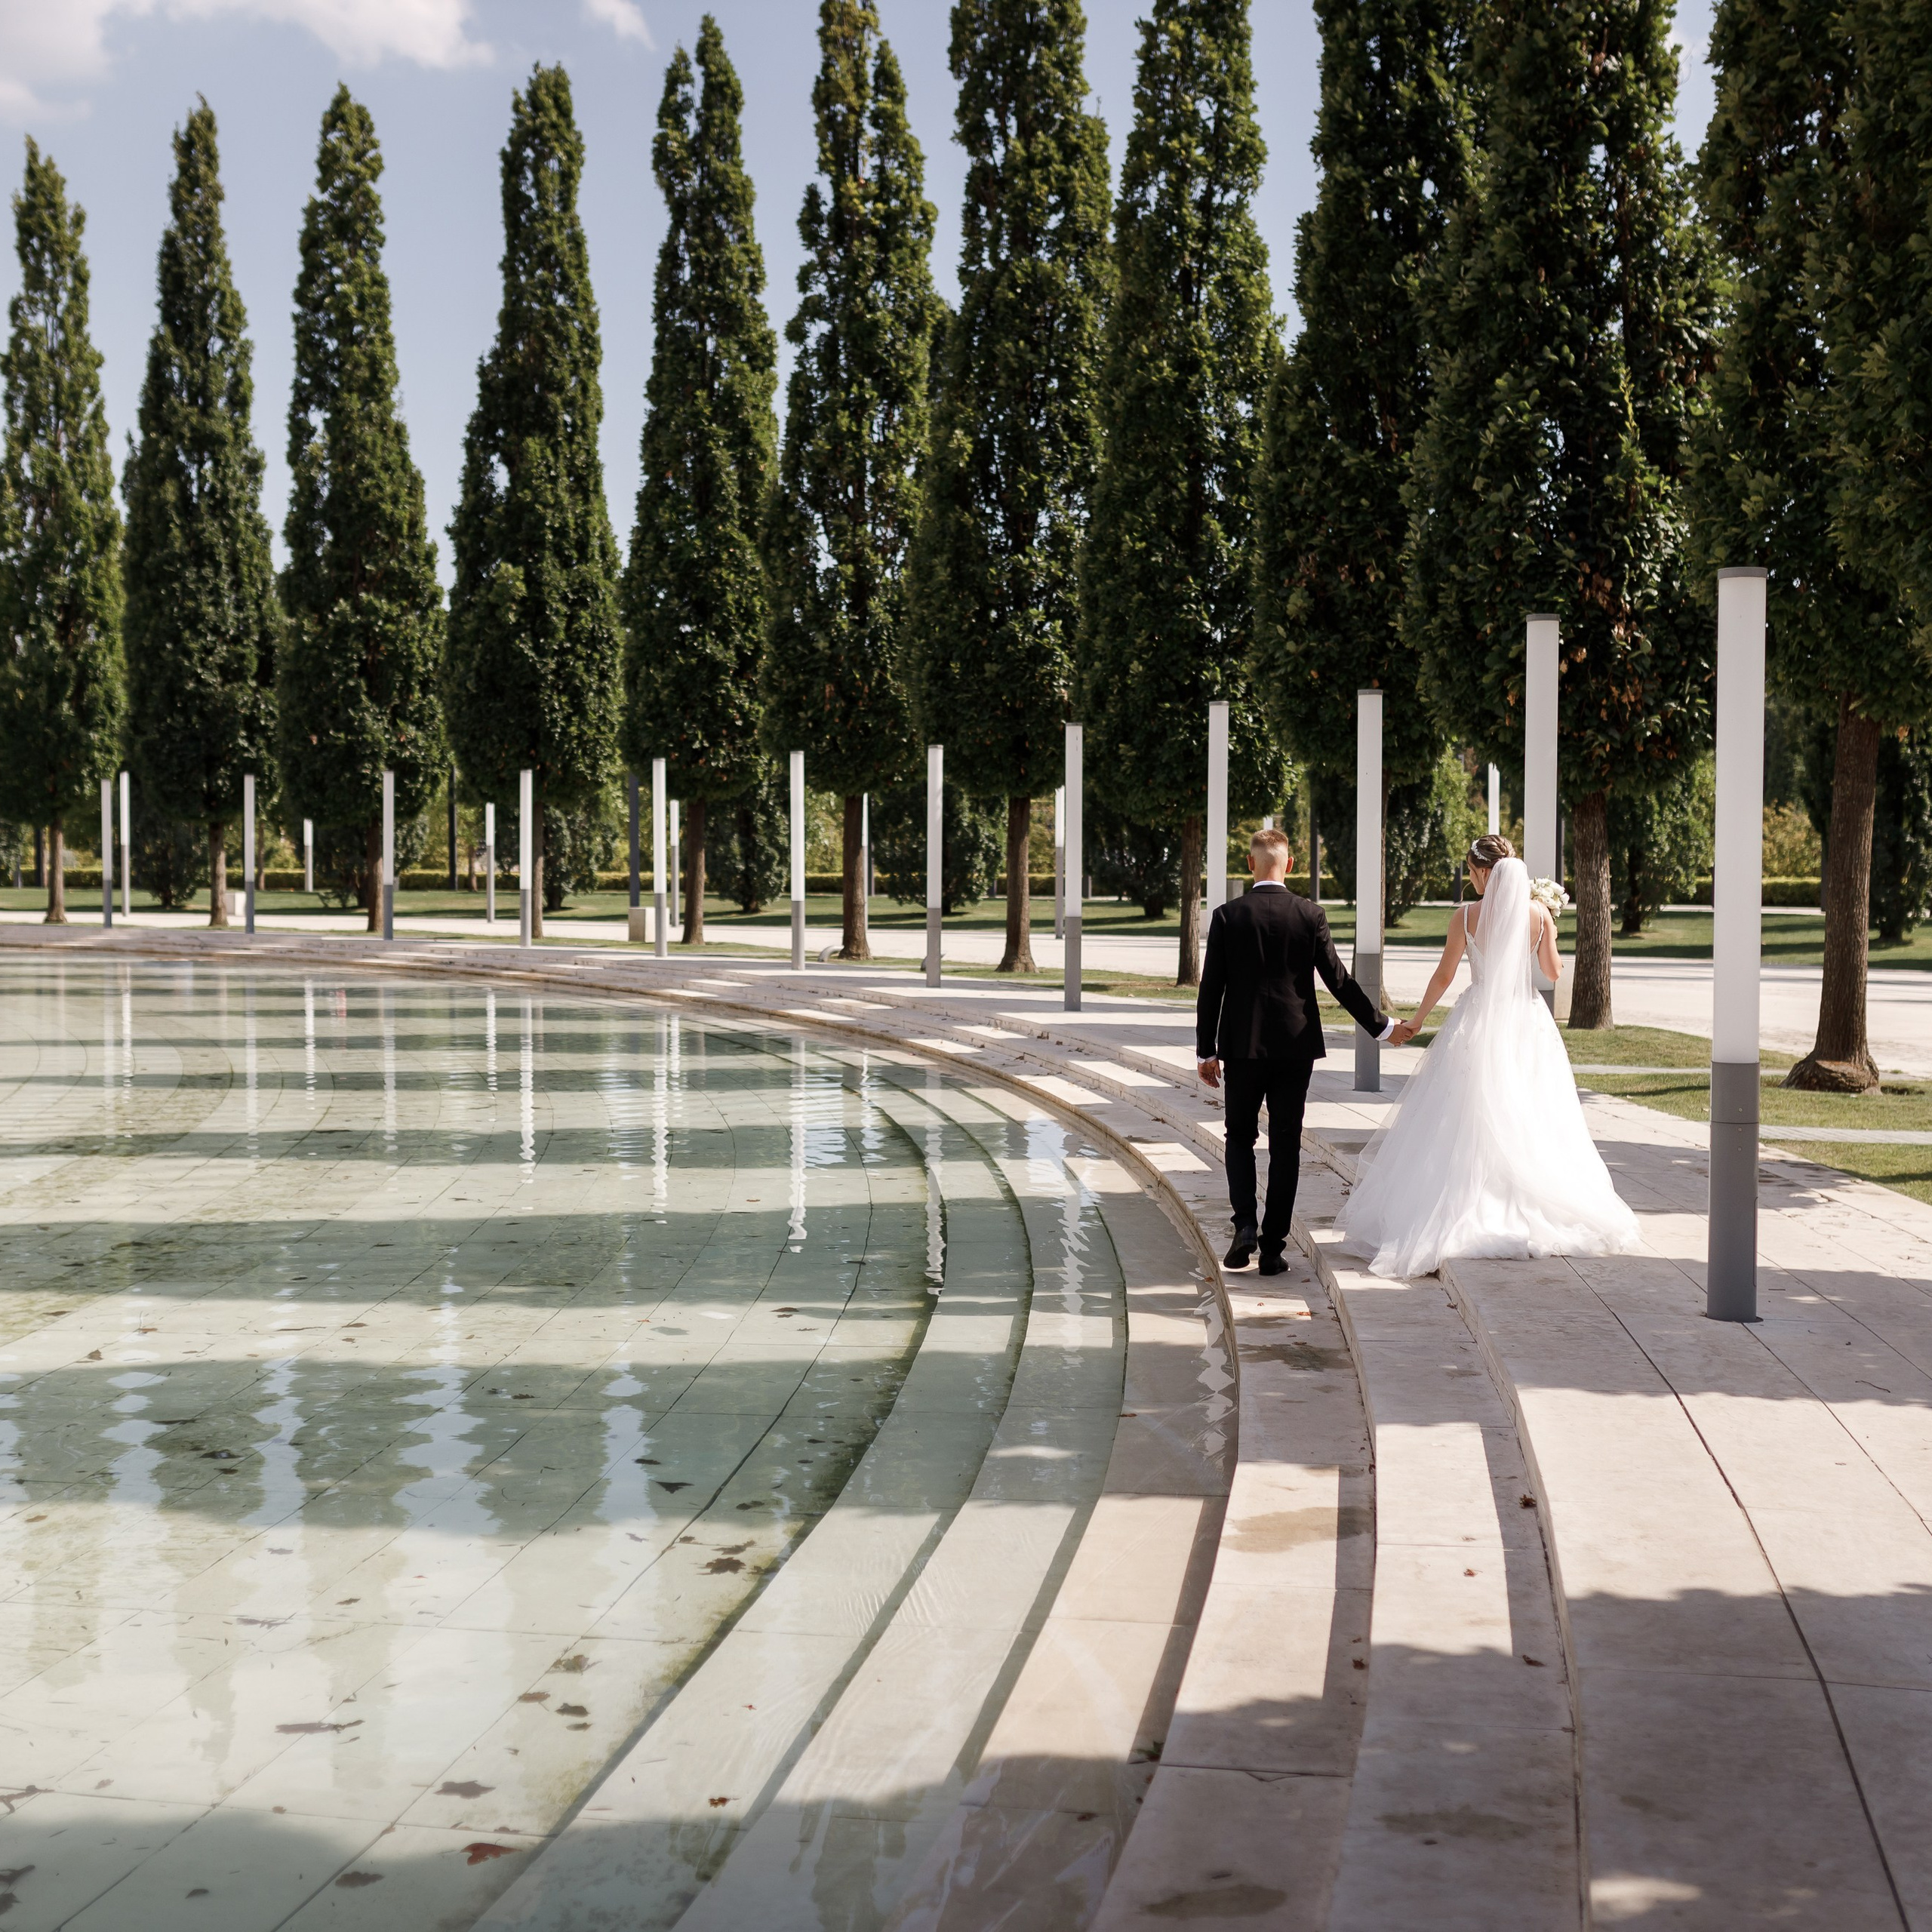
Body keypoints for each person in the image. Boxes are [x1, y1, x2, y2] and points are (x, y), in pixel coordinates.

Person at [1337, 835, 1641, 1278]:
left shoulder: (1465, 917)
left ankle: (1467, 1202)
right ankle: (1529, 1199)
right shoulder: (1537, 915)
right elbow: (1553, 973)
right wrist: (1548, 929)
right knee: (1531, 1109)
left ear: (1481, 872)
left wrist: (1417, 1021)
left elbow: (1445, 973)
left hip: (1477, 1018)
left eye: (1472, 871)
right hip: (1526, 1021)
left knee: (1466, 1111)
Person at [1196, 826, 1395, 1275]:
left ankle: (1244, 1225)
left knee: (1239, 1138)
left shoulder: (1228, 916)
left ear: (1250, 864)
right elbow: (1339, 980)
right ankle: (1272, 1248)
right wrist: (1380, 1027)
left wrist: (1206, 1051)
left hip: (1242, 1047)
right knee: (1286, 1144)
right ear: (1289, 864)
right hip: (1294, 1046)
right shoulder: (1310, 914)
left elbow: (1211, 988)